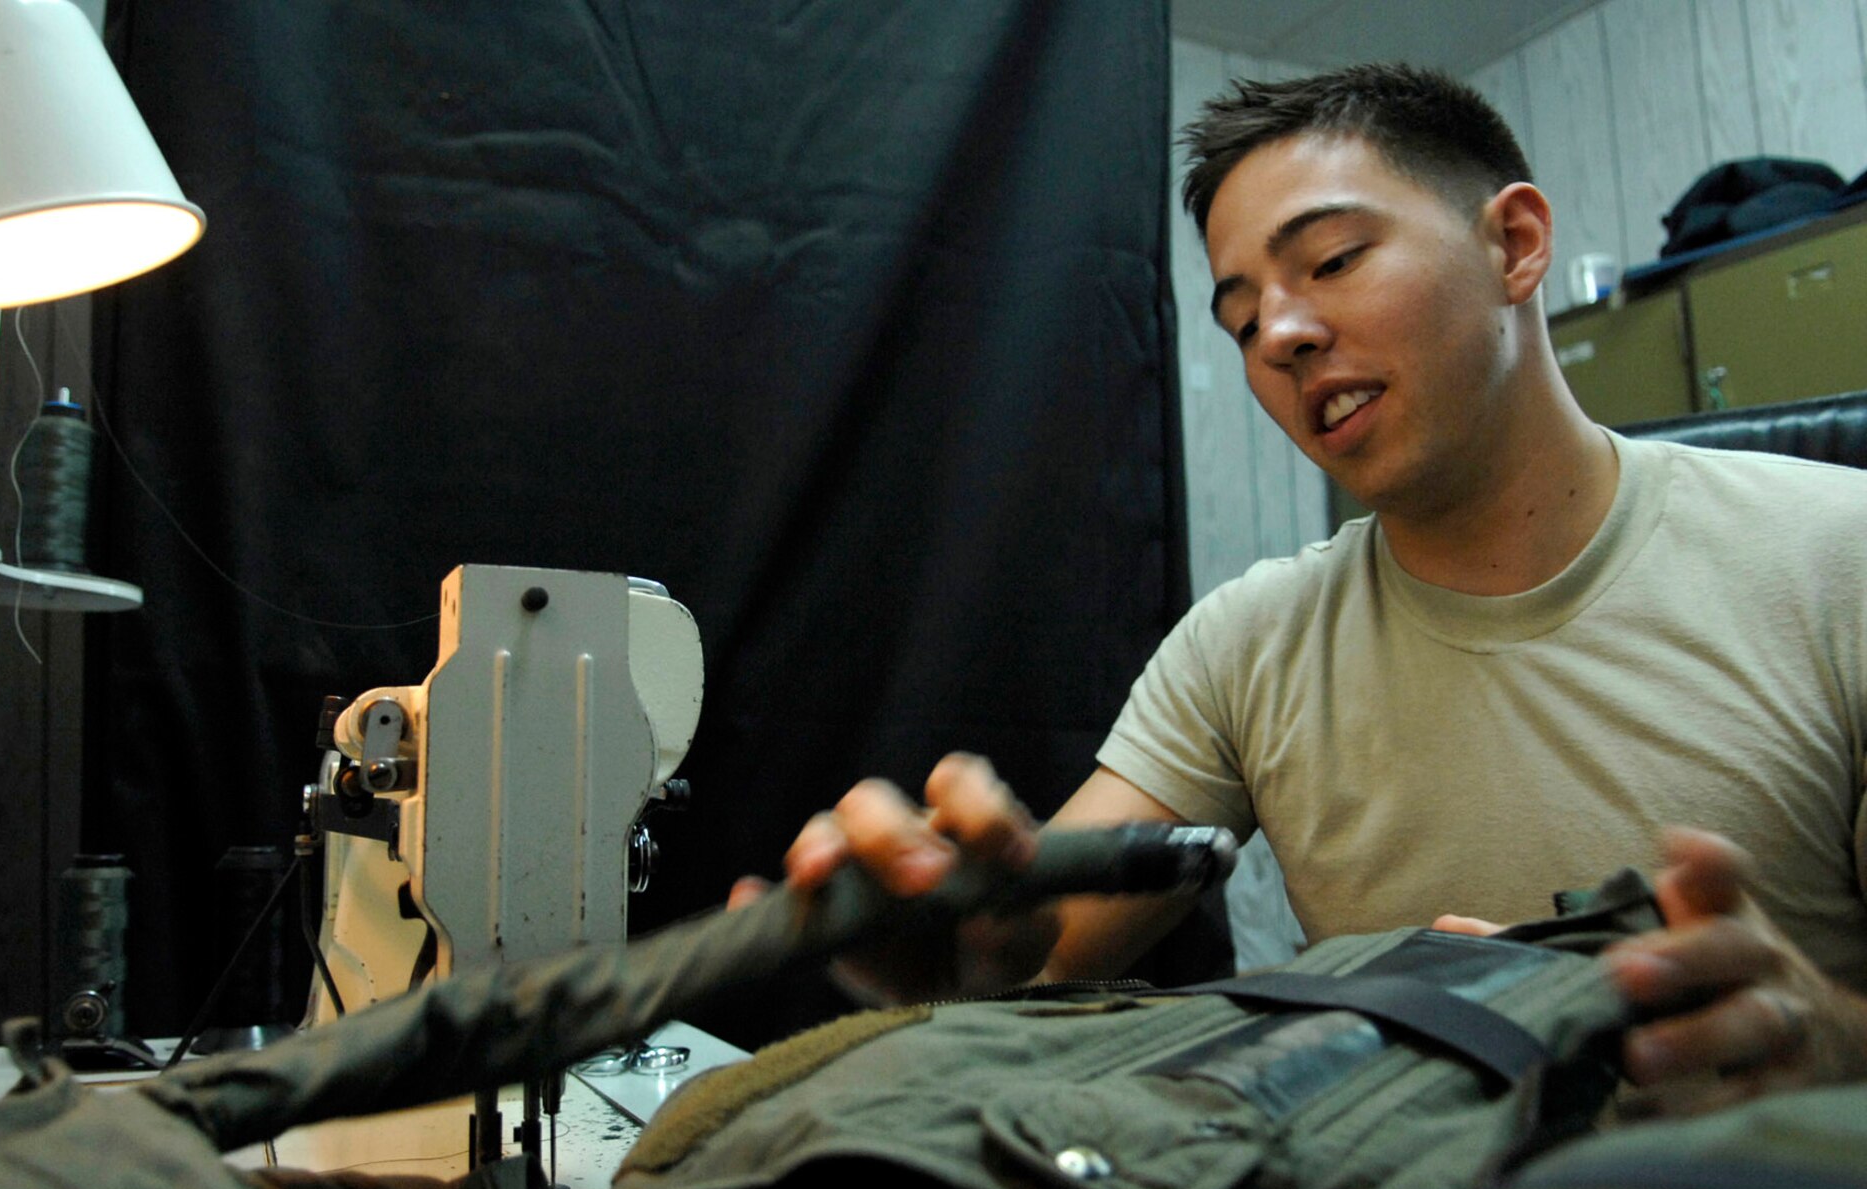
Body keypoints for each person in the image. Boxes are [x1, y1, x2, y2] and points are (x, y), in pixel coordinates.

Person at [733, 63, 1867, 1116]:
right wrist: (950, 959)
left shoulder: (1835, 559)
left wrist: (1820, 1039)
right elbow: (1029, 957)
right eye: (1239, 317)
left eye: (1328, 261)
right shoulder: (1247, 643)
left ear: (1513, 244)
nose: (1277, 332)